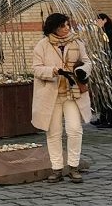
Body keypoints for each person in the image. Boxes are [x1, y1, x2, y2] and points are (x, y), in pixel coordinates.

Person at [31, 12, 93, 184]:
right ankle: (56, 169)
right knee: (53, 133)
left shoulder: (77, 42)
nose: (67, 28)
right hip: (50, 95)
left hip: (73, 93)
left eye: (67, 25)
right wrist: (53, 70)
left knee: (74, 130)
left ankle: (73, 167)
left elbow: (88, 62)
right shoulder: (42, 46)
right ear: (54, 28)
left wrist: (83, 71)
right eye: (63, 26)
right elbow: (36, 69)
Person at [92, 12, 112, 128]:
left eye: (98, 21)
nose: (96, 23)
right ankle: (102, 118)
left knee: (109, 92)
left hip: (110, 66)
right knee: (102, 93)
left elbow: (110, 52)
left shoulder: (111, 34)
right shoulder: (102, 33)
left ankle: (110, 120)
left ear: (104, 20)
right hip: (103, 65)